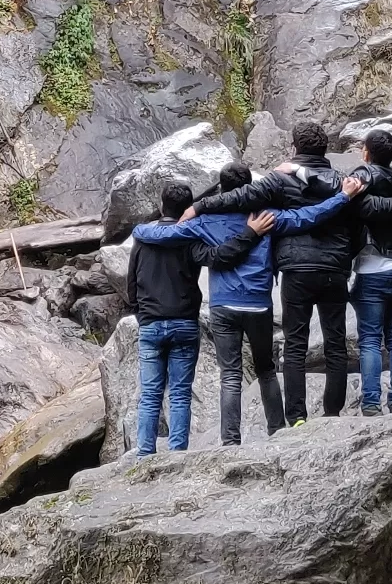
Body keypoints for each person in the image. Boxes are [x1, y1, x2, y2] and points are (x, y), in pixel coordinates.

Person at [186, 121, 392, 426]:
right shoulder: (341, 181)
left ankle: (297, 417)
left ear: (294, 148)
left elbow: (240, 197)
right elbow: (368, 215)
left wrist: (200, 207)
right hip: (334, 268)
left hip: (296, 270)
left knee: (295, 344)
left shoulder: (279, 180)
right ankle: (332, 414)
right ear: (325, 151)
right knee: (335, 343)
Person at [133, 164, 366, 446]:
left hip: (223, 307)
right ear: (250, 188)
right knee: (266, 370)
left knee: (230, 374)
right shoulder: (267, 216)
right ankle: (277, 429)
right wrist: (342, 196)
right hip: (258, 305)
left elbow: (165, 235)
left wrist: (139, 230)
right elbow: (309, 217)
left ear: (221, 190)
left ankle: (231, 440)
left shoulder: (206, 222)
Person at [342, 127, 392, 416]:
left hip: (372, 270)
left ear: (366, 152)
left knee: (371, 340)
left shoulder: (364, 174)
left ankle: (372, 402)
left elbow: (365, 207)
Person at [125, 183, 204, 457]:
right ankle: (177, 454)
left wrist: (140, 312)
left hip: (151, 322)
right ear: (188, 209)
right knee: (180, 394)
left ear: (161, 206)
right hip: (184, 321)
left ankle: (145, 452)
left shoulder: (143, 239)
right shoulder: (191, 238)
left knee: (150, 395)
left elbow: (131, 281)